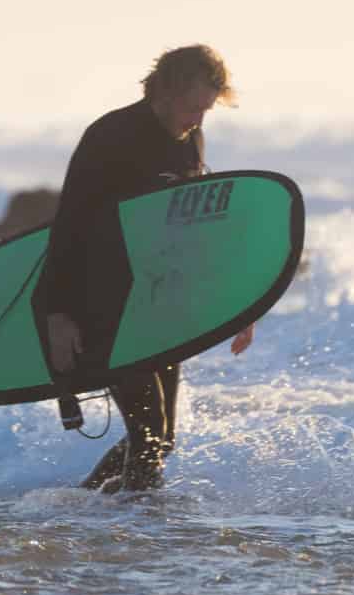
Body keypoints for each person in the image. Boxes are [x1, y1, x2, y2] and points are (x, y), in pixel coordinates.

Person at [35, 44, 254, 494]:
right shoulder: (111, 136)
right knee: (150, 433)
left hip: (154, 306)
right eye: (195, 107)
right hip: (103, 305)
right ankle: (135, 536)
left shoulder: (191, 141)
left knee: (160, 439)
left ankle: (84, 513)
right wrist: (56, 315)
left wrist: (241, 304)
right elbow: (69, 225)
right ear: (168, 91)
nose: (199, 120)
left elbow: (196, 233)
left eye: (207, 110)